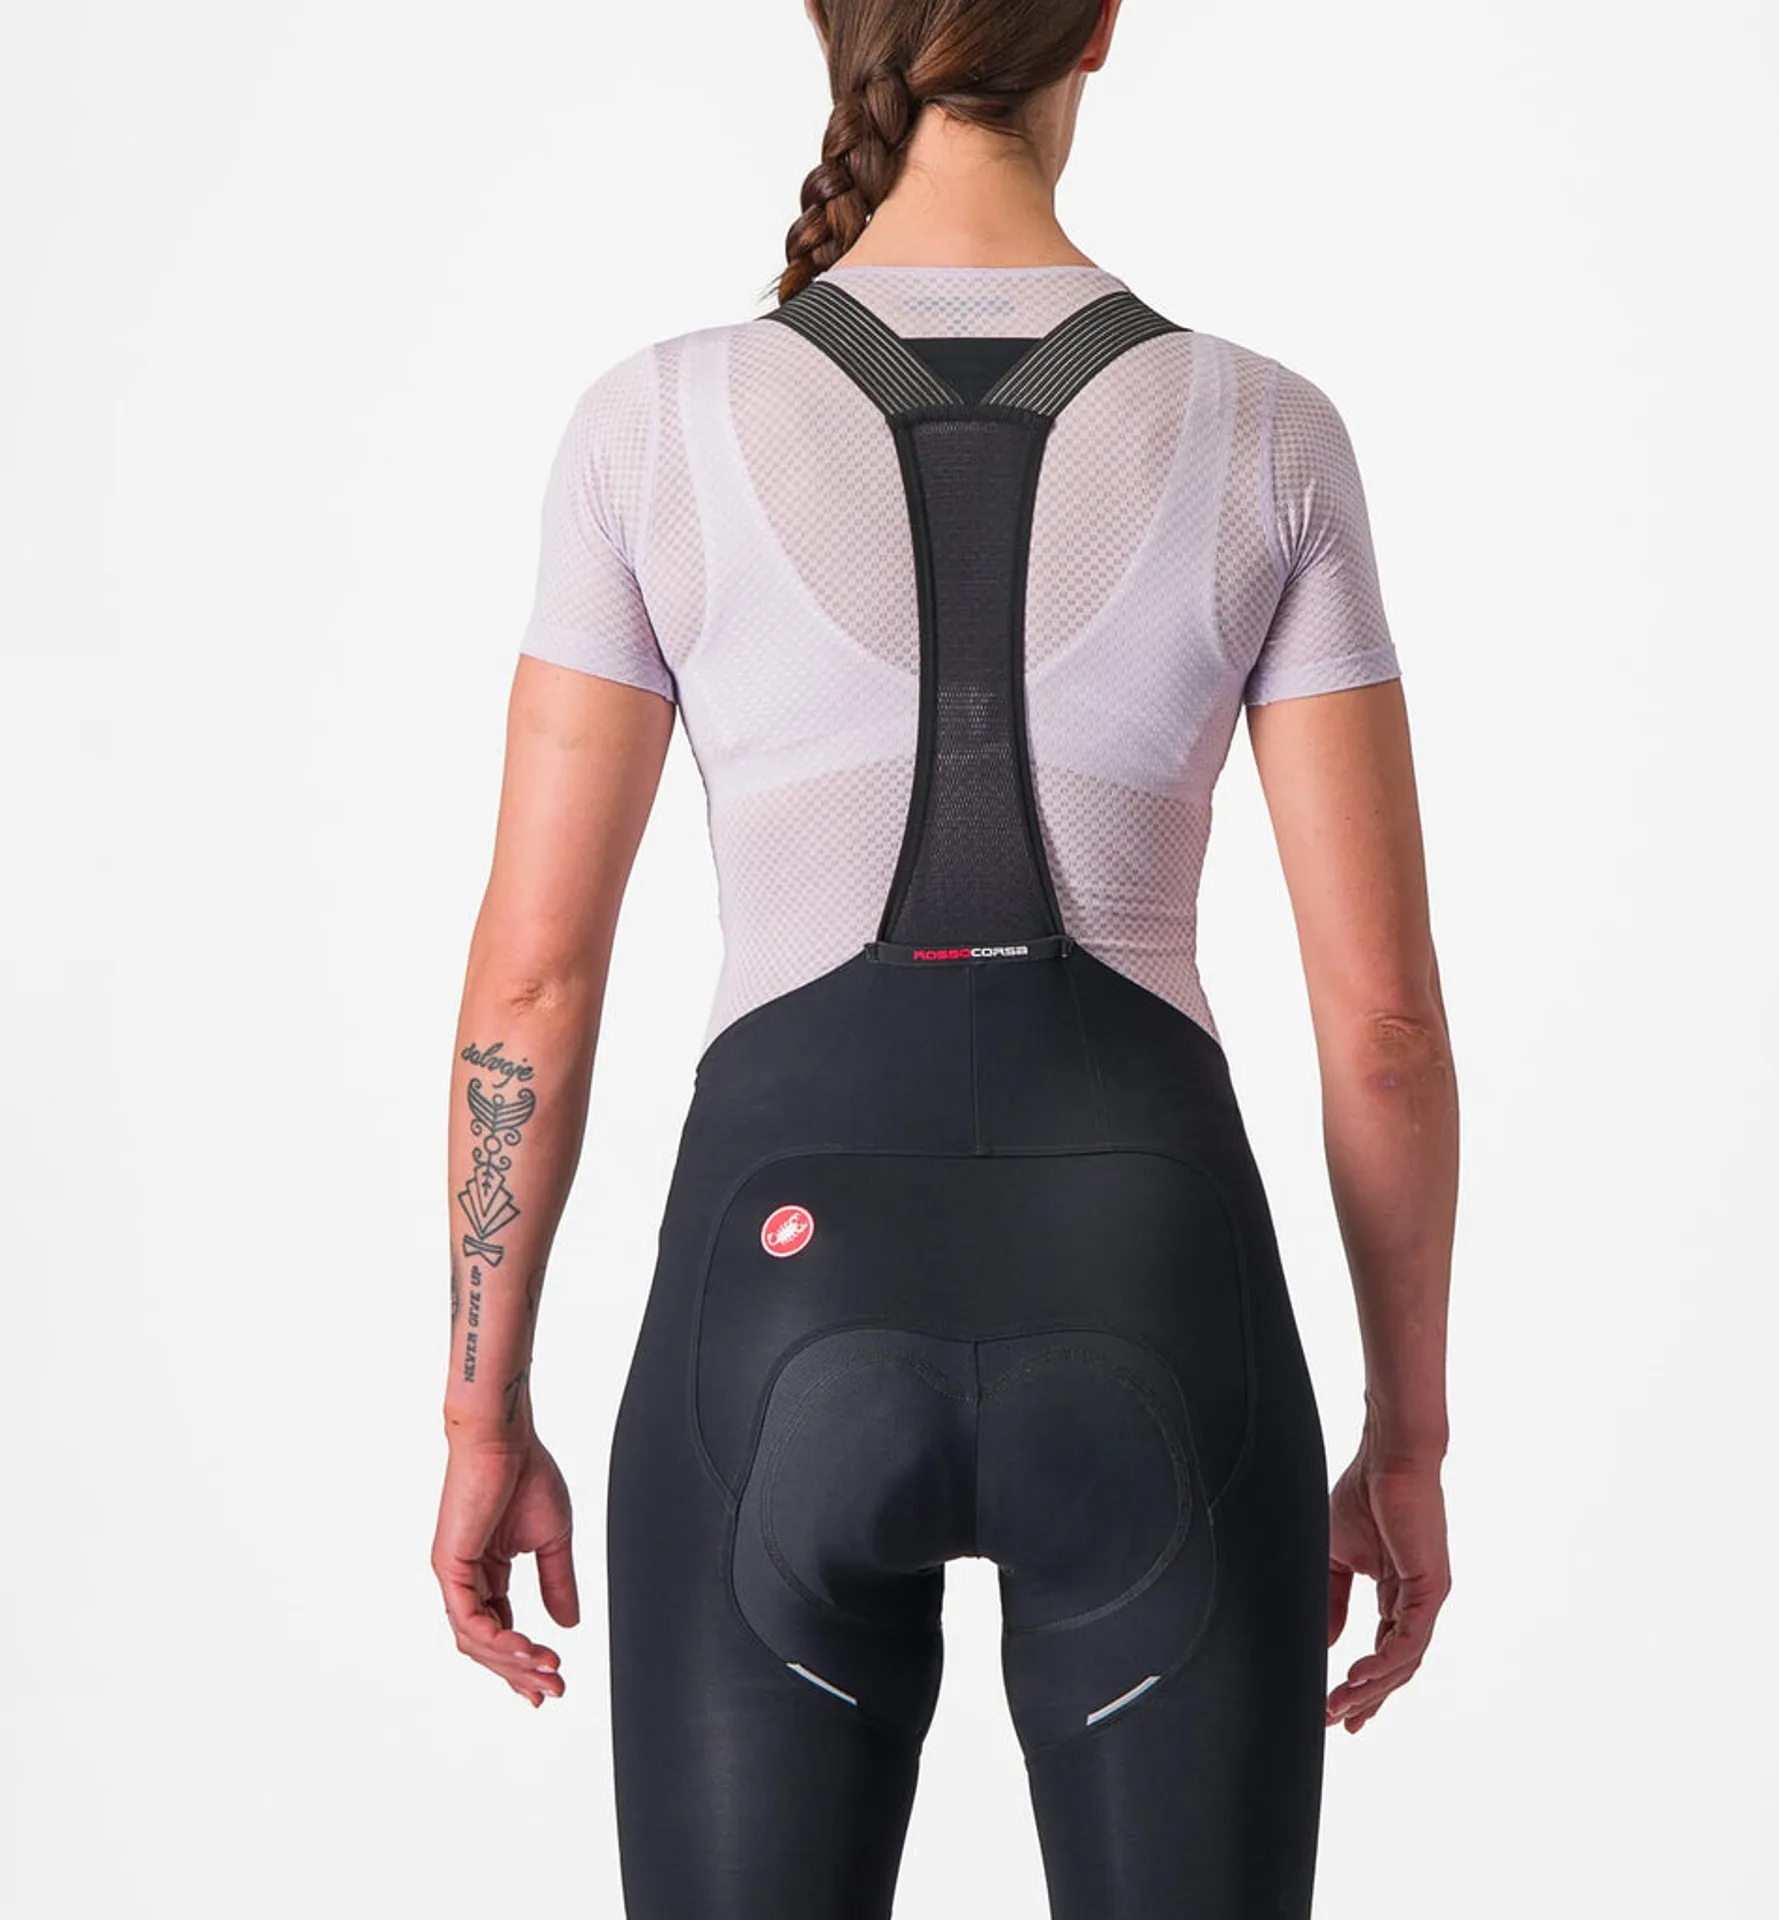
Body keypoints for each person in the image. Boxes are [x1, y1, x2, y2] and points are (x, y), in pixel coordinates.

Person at [431, 0, 1458, 1912]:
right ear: (1103, 26)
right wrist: (1410, 1433)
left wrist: (482, 1408)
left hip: (773, 1307)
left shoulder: (652, 430)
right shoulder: (1265, 433)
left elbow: (532, 986)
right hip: (1161, 1300)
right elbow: (1383, 1023)